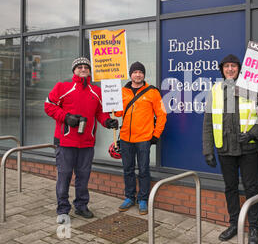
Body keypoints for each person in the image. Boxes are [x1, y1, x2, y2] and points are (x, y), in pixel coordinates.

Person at [45, 57, 119, 223]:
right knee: (64, 177)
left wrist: (108, 121)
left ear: (90, 71)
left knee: (83, 176)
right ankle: (63, 209)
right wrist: (66, 117)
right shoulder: (62, 87)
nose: (83, 69)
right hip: (65, 142)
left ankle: (81, 206)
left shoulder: (96, 91)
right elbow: (49, 106)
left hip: (87, 142)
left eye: (86, 67)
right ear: (74, 70)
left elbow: (100, 112)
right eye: (80, 67)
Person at [202, 54, 258, 244]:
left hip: (248, 148)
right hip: (225, 148)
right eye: (226, 66)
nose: (229, 69)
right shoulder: (215, 90)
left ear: (239, 69)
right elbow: (208, 122)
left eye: (233, 66)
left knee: (251, 188)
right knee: (230, 188)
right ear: (222, 69)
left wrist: (253, 133)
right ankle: (234, 224)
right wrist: (208, 149)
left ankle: (254, 228)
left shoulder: (251, 88)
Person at [115, 62, 167, 215]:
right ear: (130, 74)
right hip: (125, 138)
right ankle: (129, 197)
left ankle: (143, 199)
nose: (138, 75)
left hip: (144, 139)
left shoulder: (152, 92)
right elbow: (118, 113)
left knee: (144, 170)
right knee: (128, 170)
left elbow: (162, 114)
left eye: (140, 72)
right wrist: (111, 111)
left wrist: (156, 135)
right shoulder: (122, 92)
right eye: (135, 72)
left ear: (144, 74)